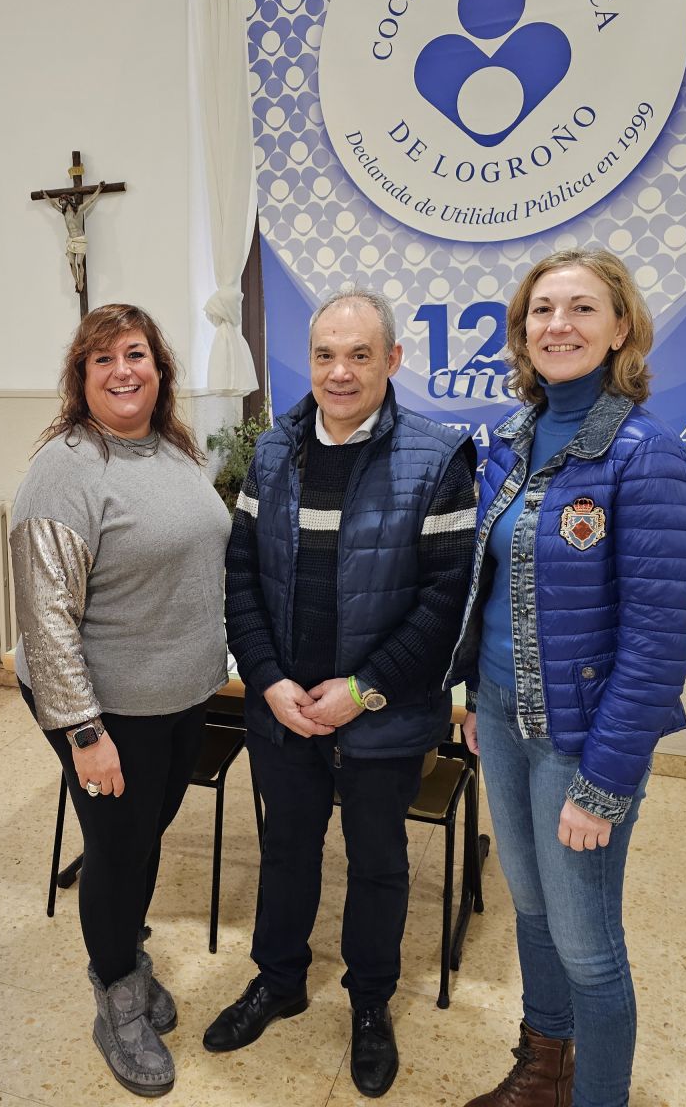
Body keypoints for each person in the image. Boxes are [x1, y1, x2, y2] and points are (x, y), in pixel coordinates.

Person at [448, 249, 686, 1107]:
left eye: (582, 308)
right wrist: (468, 693)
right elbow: (481, 585)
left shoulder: (645, 455)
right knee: (528, 911)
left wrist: (604, 783)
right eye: (541, 310)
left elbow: (659, 641)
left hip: (579, 741)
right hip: (501, 720)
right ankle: (544, 1068)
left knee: (589, 946)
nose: (559, 325)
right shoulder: (510, 440)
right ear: (521, 331)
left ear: (621, 327)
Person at [204, 289, 476, 1099]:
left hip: (380, 717)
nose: (341, 371)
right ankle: (279, 980)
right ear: (308, 360)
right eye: (325, 354)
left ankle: (368, 1003)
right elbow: (242, 578)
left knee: (378, 862)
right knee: (284, 852)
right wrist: (270, 679)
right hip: (284, 709)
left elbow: (445, 600)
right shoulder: (272, 452)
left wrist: (363, 690)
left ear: (393, 361)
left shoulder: (437, 458)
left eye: (360, 355)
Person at [10, 304, 230, 1098]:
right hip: (107, 710)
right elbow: (46, 622)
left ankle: (128, 961)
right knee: (116, 849)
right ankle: (115, 995)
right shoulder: (65, 472)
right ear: (80, 378)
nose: (121, 371)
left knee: (144, 837)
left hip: (181, 695)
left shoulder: (170, 448)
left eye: (135, 354)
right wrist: (84, 732)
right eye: (101, 360)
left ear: (159, 368)